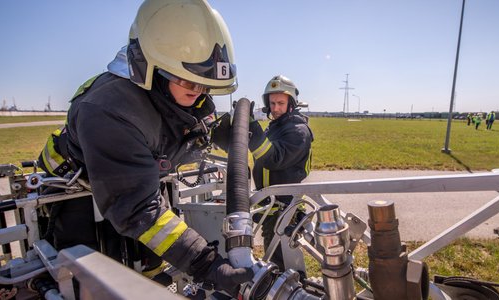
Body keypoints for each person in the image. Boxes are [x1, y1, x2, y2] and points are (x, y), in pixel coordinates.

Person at [36, 0, 252, 296]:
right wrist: (205, 263)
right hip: (77, 193)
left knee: (150, 265)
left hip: (137, 182)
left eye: (204, 85)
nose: (198, 92)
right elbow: (138, 209)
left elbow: (174, 127)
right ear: (150, 69)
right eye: (188, 81)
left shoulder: (176, 93)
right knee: (87, 276)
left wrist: (210, 133)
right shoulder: (108, 110)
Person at [248, 75, 314, 270]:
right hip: (272, 204)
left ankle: (294, 289)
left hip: (284, 208)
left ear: (291, 104)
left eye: (280, 103)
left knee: (283, 261)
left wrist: (251, 128)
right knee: (274, 253)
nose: (275, 108)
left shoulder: (297, 131)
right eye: (272, 103)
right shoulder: (277, 127)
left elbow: (274, 158)